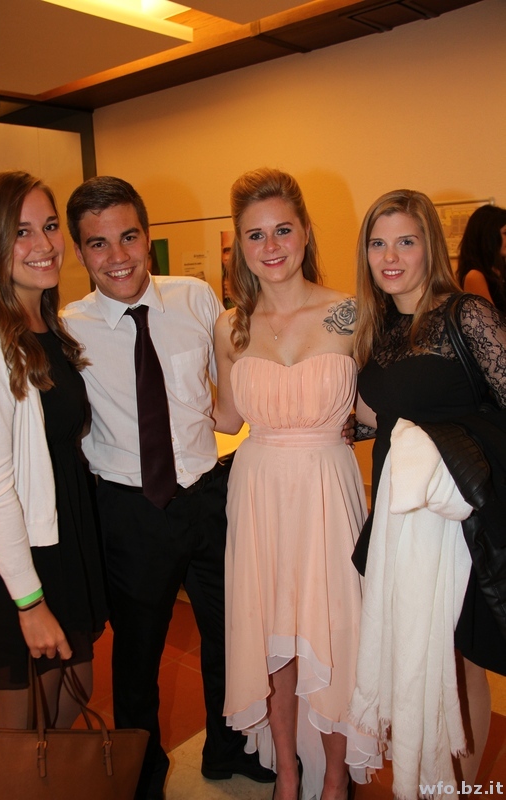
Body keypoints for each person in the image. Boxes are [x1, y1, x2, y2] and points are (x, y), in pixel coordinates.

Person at [62, 176, 276, 800]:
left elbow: (227, 391)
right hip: (128, 512)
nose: (118, 256)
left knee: (231, 638)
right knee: (137, 655)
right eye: (98, 244)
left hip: (208, 495)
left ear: (147, 235)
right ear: (80, 252)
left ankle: (229, 748)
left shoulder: (195, 298)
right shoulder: (69, 328)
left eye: (129, 237)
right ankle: (143, 770)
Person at [213, 168, 381, 800]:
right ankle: (287, 773)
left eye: (283, 229)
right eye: (255, 234)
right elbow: (226, 419)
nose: (271, 245)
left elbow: (376, 411)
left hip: (327, 493)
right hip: (257, 494)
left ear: (306, 232)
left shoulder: (351, 312)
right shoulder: (231, 326)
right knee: (271, 642)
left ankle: (334, 779)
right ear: (239, 244)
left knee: (334, 634)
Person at [350, 189, 506, 793]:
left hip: (457, 517)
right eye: (378, 243)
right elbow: (385, 416)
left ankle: (454, 789)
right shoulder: (379, 327)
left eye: (405, 242)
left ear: (430, 248)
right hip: (399, 518)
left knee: (457, 662)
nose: (390, 257)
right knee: (418, 652)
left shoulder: (467, 314)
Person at [0, 171, 107, 730]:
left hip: (60, 532)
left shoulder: (47, 325)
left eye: (49, 226)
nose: (44, 244)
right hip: (22, 550)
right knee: (27, 725)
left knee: (73, 693)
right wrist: (29, 603)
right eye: (22, 232)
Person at [456, 203, 506, 312]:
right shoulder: (475, 276)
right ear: (488, 236)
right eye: (505, 233)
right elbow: (491, 320)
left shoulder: (500, 272)